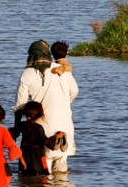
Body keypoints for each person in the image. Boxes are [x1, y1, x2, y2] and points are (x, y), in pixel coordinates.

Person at [14, 40, 79, 172]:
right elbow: (74, 91)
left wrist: (17, 128)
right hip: (65, 123)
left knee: (45, 167)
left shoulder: (27, 73)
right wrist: (65, 101)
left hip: (41, 128)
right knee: (61, 168)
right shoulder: (62, 70)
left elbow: (20, 105)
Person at [10, 100, 49, 177]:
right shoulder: (39, 128)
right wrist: (58, 136)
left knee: (23, 173)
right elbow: (44, 141)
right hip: (38, 156)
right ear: (40, 115)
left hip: (24, 153)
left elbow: (13, 132)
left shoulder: (22, 125)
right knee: (42, 175)